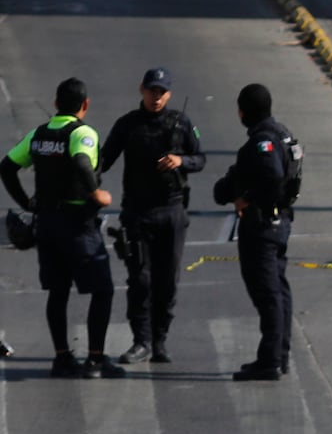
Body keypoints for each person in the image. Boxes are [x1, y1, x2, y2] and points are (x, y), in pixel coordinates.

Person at [3, 78, 121, 377]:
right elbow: (82, 163)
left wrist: (27, 202)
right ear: (85, 105)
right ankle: (95, 359)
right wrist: (97, 194)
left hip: (47, 224)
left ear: (55, 104)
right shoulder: (82, 133)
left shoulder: (39, 134)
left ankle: (62, 357)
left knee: (58, 292)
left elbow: (6, 167)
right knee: (102, 290)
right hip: (77, 224)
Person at [98, 66, 204, 364]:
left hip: (171, 210)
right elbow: (103, 160)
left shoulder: (181, 123)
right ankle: (140, 340)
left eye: (161, 92)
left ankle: (160, 341)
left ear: (168, 94)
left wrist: (180, 160)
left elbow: (200, 159)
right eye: (151, 91)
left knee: (166, 280)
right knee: (140, 280)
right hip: (137, 213)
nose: (156, 97)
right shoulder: (128, 124)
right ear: (141, 90)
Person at [211, 84, 302, 382]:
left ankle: (270, 360)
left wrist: (247, 198)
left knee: (267, 293)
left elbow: (273, 175)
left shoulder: (263, 142)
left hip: (263, 226)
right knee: (279, 291)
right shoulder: (281, 133)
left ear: (243, 111)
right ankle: (279, 355)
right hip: (280, 222)